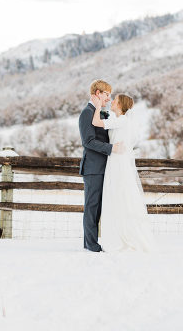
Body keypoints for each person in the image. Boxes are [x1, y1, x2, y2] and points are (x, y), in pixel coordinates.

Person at [90, 92, 155, 252]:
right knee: (115, 194)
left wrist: (98, 106)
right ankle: (116, 233)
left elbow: (96, 121)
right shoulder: (117, 119)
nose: (112, 102)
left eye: (115, 100)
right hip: (115, 160)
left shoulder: (122, 120)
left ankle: (123, 237)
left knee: (119, 194)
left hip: (118, 162)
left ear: (120, 105)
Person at [78, 80, 124, 252]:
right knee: (92, 207)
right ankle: (91, 245)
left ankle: (92, 242)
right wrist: (112, 148)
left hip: (103, 168)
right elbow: (88, 141)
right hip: (93, 169)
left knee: (98, 208)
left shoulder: (99, 113)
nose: (108, 98)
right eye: (106, 94)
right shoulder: (86, 113)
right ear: (97, 93)